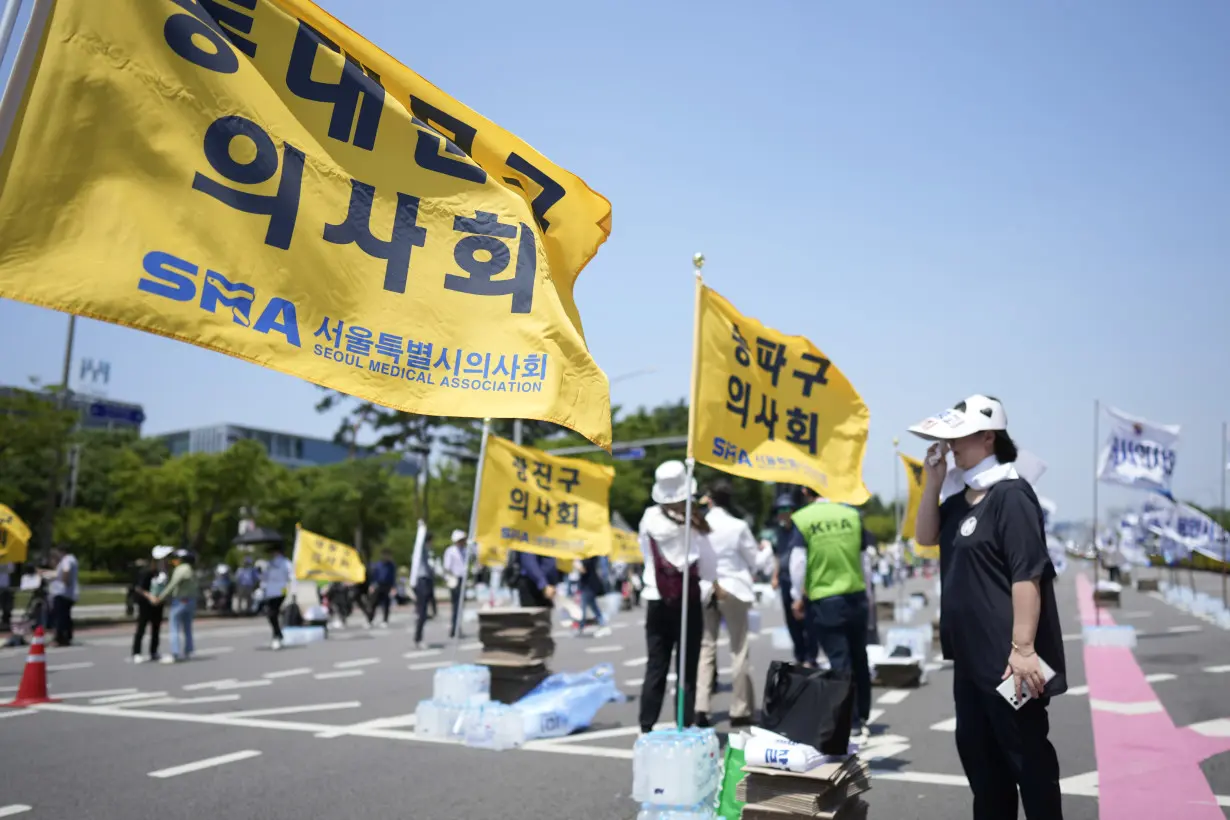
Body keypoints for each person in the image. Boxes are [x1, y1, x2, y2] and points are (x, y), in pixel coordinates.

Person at [911, 395, 1066, 820]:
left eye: (959, 437)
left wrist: (1023, 648)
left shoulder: (1012, 496)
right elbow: (926, 536)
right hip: (970, 661)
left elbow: (1027, 574)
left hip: (1008, 663)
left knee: (1028, 761)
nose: (952, 445)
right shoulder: (960, 500)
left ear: (988, 436)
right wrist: (933, 480)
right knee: (982, 765)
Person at [788, 486, 875, 741]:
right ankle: (863, 714)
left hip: (825, 598)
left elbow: (797, 562)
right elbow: (865, 561)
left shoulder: (803, 519)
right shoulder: (851, 515)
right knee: (859, 656)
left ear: (804, 490)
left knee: (839, 660)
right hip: (856, 595)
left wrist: (797, 597)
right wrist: (867, 594)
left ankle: (848, 720)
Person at [638, 460, 719, 734]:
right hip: (688, 599)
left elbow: (646, 557)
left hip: (655, 596)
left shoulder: (648, 518)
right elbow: (708, 563)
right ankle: (683, 724)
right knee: (687, 667)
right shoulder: (692, 520)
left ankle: (646, 727)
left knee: (656, 665)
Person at [696, 480, 774, 728]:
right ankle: (739, 709)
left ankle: (701, 706)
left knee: (706, 648)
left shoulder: (700, 525)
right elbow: (756, 561)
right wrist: (767, 549)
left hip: (707, 587)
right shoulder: (738, 526)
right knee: (738, 649)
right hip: (733, 588)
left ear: (710, 498)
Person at [769, 492, 815, 666]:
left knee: (808, 619)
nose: (783, 513)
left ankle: (811, 656)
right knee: (791, 620)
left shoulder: (800, 529)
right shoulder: (779, 532)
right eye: (780, 510)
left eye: (787, 509)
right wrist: (775, 576)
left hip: (802, 581)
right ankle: (800, 655)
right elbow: (779, 556)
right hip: (785, 579)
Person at [148, 549, 198, 663]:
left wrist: (160, 597)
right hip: (190, 601)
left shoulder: (181, 569)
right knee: (187, 628)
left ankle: (175, 653)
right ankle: (189, 651)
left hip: (180, 600)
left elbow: (172, 584)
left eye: (176, 559)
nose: (174, 561)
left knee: (174, 626)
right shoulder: (191, 570)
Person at [132, 546, 172, 662]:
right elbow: (139, 588)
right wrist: (150, 597)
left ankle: (154, 652)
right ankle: (137, 652)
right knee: (141, 627)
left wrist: (161, 598)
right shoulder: (146, 571)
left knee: (156, 628)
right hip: (145, 603)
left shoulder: (163, 573)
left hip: (158, 603)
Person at [261, 543, 293, 650]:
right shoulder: (269, 564)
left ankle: (276, 636)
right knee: (270, 614)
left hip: (280, 591)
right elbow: (264, 577)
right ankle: (278, 634)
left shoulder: (285, 562)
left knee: (272, 613)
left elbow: (291, 575)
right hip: (270, 591)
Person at [48, 547, 79, 647]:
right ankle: (66, 636)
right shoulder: (70, 559)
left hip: (62, 592)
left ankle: (60, 638)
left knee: (60, 617)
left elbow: (66, 571)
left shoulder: (67, 560)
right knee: (65, 616)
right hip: (67, 593)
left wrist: (65, 581)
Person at [576, 554, 612, 637]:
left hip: (588, 586)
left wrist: (576, 564)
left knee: (584, 607)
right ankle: (602, 622)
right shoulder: (593, 557)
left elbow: (583, 570)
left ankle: (581, 626)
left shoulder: (588, 558)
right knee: (593, 607)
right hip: (589, 585)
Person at [411, 533, 436, 649]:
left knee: (424, 611)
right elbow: (419, 543)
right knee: (422, 612)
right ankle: (418, 638)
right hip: (422, 581)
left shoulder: (427, 552)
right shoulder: (420, 551)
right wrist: (422, 529)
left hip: (426, 581)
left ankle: (418, 637)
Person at [443, 530, 468, 638]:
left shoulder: (465, 551)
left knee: (460, 606)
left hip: (462, 579)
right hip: (454, 580)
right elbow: (447, 567)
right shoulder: (451, 551)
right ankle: (454, 628)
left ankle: (457, 627)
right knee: (456, 605)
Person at [367, 548, 397, 628]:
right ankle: (370, 620)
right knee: (373, 604)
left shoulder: (391, 565)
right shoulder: (378, 565)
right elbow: (374, 576)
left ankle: (385, 620)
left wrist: (393, 587)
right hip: (378, 585)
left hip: (387, 586)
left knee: (386, 604)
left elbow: (393, 577)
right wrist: (372, 585)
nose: (386, 557)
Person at [0, 561, 13, 631]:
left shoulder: (8, 560)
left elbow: (11, 570)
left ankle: (5, 623)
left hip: (5, 586)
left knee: (7, 605)